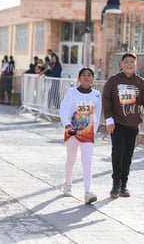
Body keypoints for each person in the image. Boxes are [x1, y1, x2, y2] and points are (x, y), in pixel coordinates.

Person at [102, 52, 144, 198]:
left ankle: (124, 184)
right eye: (126, 62)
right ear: (121, 64)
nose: (129, 64)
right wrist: (109, 120)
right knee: (118, 151)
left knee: (128, 154)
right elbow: (106, 100)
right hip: (117, 124)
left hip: (133, 125)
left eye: (132, 62)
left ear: (136, 64)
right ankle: (116, 183)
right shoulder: (113, 81)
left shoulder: (141, 83)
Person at [60, 67, 102, 204]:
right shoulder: (72, 92)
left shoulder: (96, 94)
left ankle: (88, 192)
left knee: (87, 160)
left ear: (93, 79)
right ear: (79, 78)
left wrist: (93, 131)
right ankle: (68, 184)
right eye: (83, 75)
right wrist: (66, 124)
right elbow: (64, 107)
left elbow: (97, 114)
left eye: (89, 75)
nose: (86, 77)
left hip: (87, 133)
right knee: (71, 158)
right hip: (72, 130)